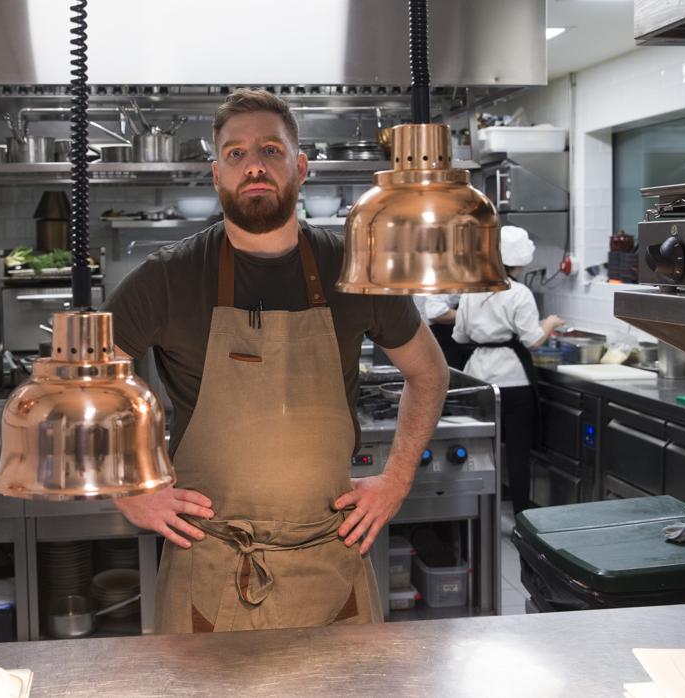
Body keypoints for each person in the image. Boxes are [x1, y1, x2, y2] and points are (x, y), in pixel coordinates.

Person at [103, 89, 450, 633]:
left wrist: (397, 479)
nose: (254, 166)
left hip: (330, 561)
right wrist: (128, 491)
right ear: (216, 173)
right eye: (236, 154)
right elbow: (83, 390)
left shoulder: (353, 267)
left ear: (301, 166)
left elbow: (429, 372)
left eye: (271, 149)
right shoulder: (167, 279)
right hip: (210, 567)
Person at [451, 226, 564, 514]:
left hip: (477, 379)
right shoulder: (520, 293)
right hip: (513, 381)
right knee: (517, 452)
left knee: (478, 450)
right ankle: (521, 517)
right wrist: (550, 323)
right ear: (521, 260)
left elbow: (460, 337)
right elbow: (532, 340)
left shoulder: (472, 289)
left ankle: (477, 514)